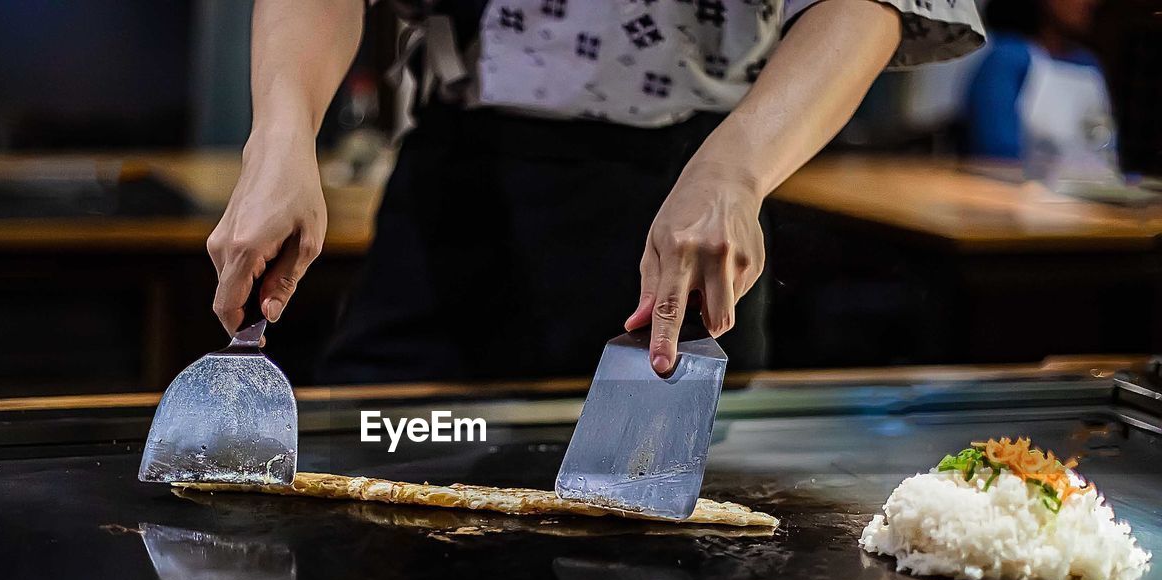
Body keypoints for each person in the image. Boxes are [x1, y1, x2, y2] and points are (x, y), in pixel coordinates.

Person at [209, 0, 983, 384]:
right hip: (456, 193)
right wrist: (280, 133)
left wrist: (736, 168)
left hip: (689, 193)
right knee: (377, 500)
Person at [964, 0, 1108, 160]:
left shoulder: (1088, 64)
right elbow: (997, 153)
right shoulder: (1009, 59)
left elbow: (1105, 148)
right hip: (1018, 184)